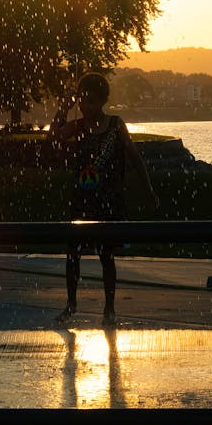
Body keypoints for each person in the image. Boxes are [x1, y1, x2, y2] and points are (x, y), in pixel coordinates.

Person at [48, 71, 159, 325]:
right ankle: (71, 304)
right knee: (72, 252)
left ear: (102, 101)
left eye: (91, 102)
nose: (86, 107)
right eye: (82, 101)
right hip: (82, 200)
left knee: (106, 255)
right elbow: (52, 139)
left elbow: (134, 158)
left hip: (108, 200)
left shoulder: (115, 125)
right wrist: (62, 109)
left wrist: (149, 189)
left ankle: (110, 309)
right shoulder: (77, 126)